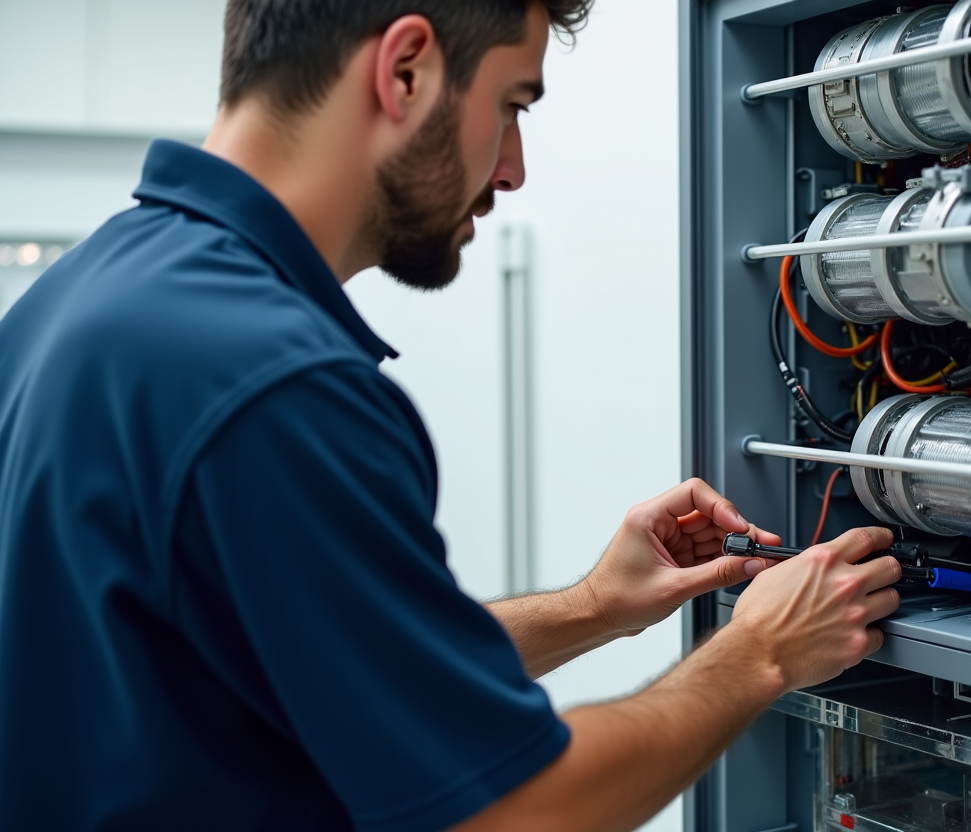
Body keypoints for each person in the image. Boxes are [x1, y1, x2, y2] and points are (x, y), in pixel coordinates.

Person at [0, 1, 903, 830]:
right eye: (513, 106)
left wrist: (594, 607)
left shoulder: (76, 304)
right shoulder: (276, 385)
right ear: (404, 71)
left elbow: (338, 671)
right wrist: (760, 656)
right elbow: (512, 812)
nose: (512, 170)